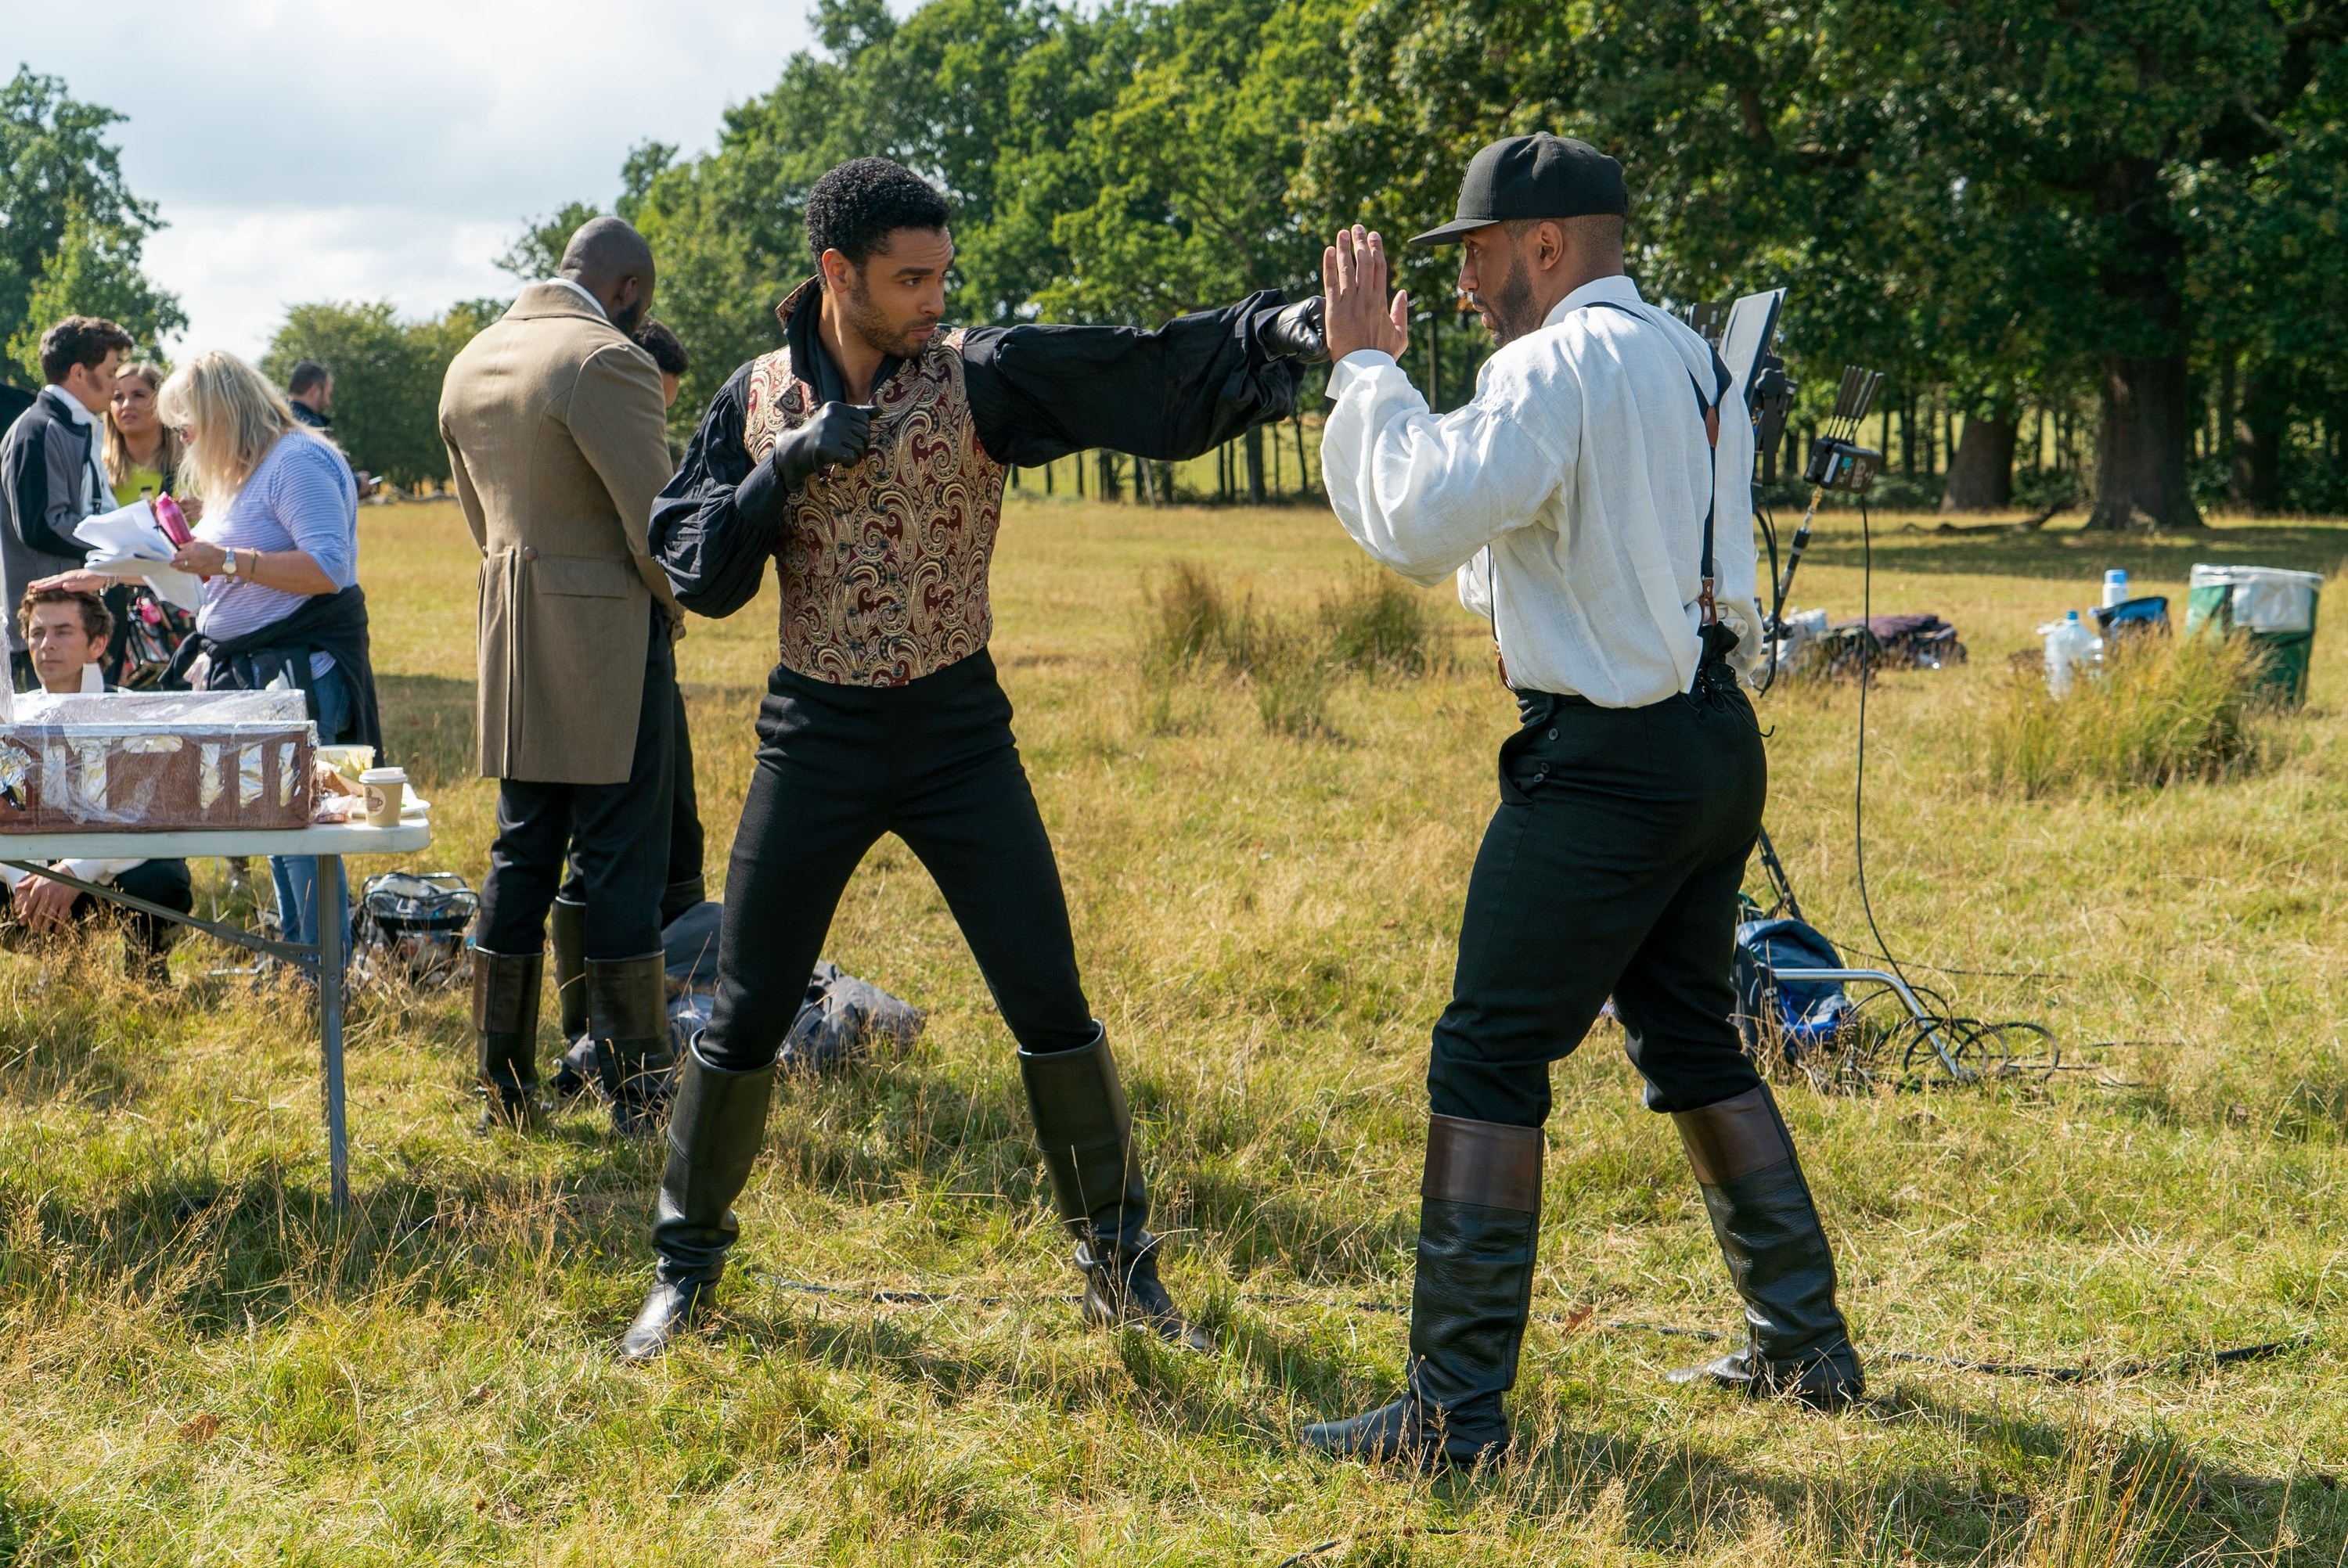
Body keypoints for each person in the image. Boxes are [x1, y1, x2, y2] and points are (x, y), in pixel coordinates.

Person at [623, 156, 1324, 1363]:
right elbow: (700, 569)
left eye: (944, 274)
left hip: (959, 737)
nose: (935, 298)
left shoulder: (980, 376)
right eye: (910, 279)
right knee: (743, 1013)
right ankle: (684, 1276)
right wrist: (783, 470)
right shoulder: (748, 401)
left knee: (1047, 996)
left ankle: (1120, 1273)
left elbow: (1146, 375)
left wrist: (1285, 329)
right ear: (835, 275)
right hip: (815, 738)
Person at [1298, 135, 1864, 1471]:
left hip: (1606, 764)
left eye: (1480, 254)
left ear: (1546, 243)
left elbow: (1422, 516)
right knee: (1687, 1031)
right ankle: (1805, 1342)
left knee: (1487, 1053)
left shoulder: (1551, 362)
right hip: (1713, 748)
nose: (1467, 284)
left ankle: (1453, 1417)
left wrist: (1364, 370)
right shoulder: (1683, 352)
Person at [439, 217, 683, 1137]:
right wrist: (674, 605)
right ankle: (637, 1090)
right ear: (626, 291)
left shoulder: (469, 360)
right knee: (625, 856)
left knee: (522, 848)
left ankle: (501, 1083)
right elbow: (653, 522)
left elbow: (476, 516)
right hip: (608, 635)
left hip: (510, 629)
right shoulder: (603, 360)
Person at [47, 350, 384, 956]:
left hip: (297, 668)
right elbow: (208, 572)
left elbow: (328, 566)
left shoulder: (297, 462)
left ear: (222, 413)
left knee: (300, 824)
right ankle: (298, 956)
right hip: (259, 675)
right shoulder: (248, 472)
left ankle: (323, 971)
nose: (184, 438)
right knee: (276, 823)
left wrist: (227, 558)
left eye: (189, 423)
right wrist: (117, 573)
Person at [546, 315, 705, 1096]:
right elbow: (654, 542)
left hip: (651, 650)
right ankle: (599, 1036)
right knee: (608, 850)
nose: (660, 422)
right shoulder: (590, 423)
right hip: (603, 656)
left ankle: (686, 1006)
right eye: (657, 405)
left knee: (680, 833)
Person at [1, 586, 195, 979]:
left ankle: (145, 975)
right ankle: (58, 968)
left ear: (98, 643)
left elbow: (150, 818)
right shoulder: (13, 716)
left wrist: (73, 873)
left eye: (63, 632)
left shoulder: (130, 713)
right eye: (37, 633)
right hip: (33, 873)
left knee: (161, 879)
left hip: (114, 875)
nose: (47, 645)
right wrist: (24, 877)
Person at [1, 316, 132, 691]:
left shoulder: (78, 425)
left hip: (85, 627)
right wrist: (124, 545)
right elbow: (41, 524)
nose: (115, 385)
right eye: (109, 372)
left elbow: (89, 514)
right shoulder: (38, 429)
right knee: (49, 748)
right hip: (47, 636)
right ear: (78, 373)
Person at [285, 361, 380, 498]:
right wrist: (358, 482)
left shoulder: (275, 421)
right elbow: (325, 477)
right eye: (328, 394)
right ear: (314, 390)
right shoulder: (308, 428)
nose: (329, 402)